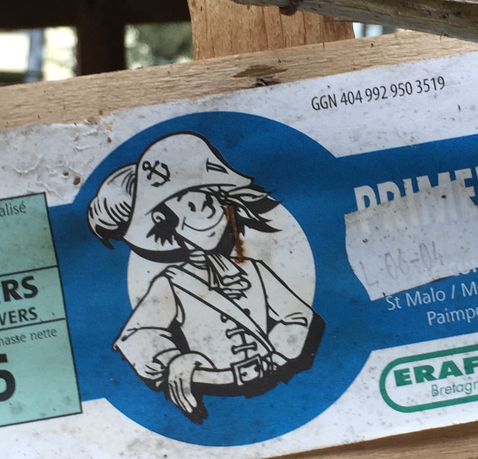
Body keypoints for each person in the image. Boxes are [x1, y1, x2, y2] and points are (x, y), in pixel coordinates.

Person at [87, 133, 321, 421]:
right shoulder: (172, 283)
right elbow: (136, 336)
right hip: (218, 402)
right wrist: (175, 361)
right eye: (183, 201)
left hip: (284, 391)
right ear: (162, 220)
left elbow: (299, 316)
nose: (203, 207)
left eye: (206, 195)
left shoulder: (254, 269)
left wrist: (279, 353)